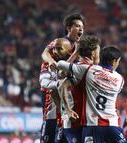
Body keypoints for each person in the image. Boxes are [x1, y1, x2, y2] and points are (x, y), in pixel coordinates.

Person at [58, 46, 127, 143]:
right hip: (112, 125)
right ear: (113, 61)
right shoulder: (120, 79)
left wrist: (77, 53)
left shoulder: (88, 70)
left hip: (92, 126)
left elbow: (60, 64)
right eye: (118, 61)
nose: (118, 64)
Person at [39, 13, 85, 143]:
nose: (81, 29)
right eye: (77, 26)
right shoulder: (60, 42)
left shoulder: (79, 48)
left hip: (66, 92)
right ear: (69, 28)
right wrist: (50, 61)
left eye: (82, 27)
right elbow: (45, 53)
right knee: (51, 125)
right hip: (52, 89)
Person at [58, 35, 100, 143]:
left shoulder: (91, 69)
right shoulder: (83, 68)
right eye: (98, 51)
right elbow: (64, 84)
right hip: (75, 121)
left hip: (84, 121)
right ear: (93, 53)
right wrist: (68, 110)